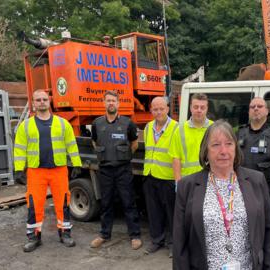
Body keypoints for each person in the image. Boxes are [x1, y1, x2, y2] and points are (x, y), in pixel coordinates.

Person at [173, 120, 270, 270]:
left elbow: (268, 232)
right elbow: (179, 241)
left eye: (229, 144)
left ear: (235, 148)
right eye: (215, 145)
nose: (223, 151)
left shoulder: (256, 180)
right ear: (205, 151)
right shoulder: (187, 186)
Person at [14, 89, 81, 252]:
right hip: (36, 171)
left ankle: (65, 233)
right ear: (33, 104)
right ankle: (34, 237)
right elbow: (19, 149)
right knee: (33, 205)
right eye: (38, 100)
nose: (42, 102)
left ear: (49, 102)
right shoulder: (26, 126)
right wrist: (18, 169)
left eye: (44, 99)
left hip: (59, 170)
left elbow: (71, 144)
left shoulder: (62, 123)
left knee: (63, 202)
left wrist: (77, 164)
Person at [236, 97, 270, 262]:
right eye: (252, 106)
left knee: (268, 221)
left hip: (265, 186)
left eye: (260, 106)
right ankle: (246, 252)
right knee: (243, 219)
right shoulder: (240, 132)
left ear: (267, 111)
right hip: (242, 185)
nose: (256, 109)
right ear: (249, 111)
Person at [89, 91, 142, 250]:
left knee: (128, 202)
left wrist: (124, 157)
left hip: (123, 170)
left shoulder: (128, 123)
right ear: (104, 103)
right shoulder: (97, 123)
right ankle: (104, 234)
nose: (111, 103)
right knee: (106, 203)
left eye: (113, 101)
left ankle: (135, 235)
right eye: (108, 101)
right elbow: (94, 141)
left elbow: (135, 144)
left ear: (118, 104)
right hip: (105, 170)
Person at [142, 97, 178, 256]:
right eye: (155, 109)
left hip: (168, 177)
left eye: (161, 109)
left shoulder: (176, 128)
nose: (158, 112)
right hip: (150, 176)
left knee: (171, 213)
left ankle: (172, 244)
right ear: (151, 110)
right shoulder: (148, 127)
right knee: (154, 211)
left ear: (168, 109)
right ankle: (157, 241)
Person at [169, 93, 213, 182]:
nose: (199, 110)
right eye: (196, 107)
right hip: (187, 181)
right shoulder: (179, 130)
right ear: (190, 108)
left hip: (209, 181)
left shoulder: (214, 128)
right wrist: (178, 183)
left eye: (202, 107)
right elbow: (176, 159)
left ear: (207, 109)